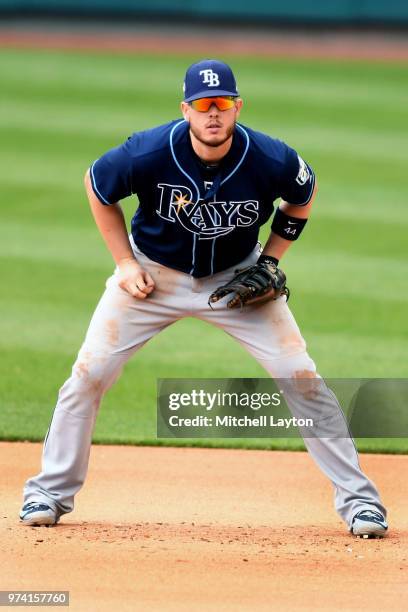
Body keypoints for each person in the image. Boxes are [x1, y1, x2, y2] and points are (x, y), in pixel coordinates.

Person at [20, 59, 387, 538]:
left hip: (238, 279)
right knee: (89, 374)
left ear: (238, 106)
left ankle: (361, 503)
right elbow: (97, 186)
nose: (213, 114)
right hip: (153, 278)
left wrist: (271, 262)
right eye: (202, 105)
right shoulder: (147, 152)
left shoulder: (270, 158)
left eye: (222, 104)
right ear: (186, 109)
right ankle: (48, 492)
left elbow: (303, 195)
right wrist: (125, 263)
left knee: (301, 377)